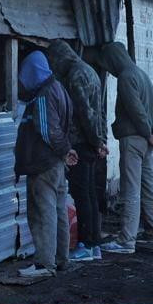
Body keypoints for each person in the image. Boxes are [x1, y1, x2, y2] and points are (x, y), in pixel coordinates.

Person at [95, 42, 153, 254]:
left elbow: (137, 110)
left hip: (134, 139)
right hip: (146, 139)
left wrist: (146, 132)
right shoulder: (141, 74)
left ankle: (126, 241)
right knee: (148, 187)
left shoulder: (126, 76)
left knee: (130, 188)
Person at [14, 50, 78, 278]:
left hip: (43, 163)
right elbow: (64, 125)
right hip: (57, 163)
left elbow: (46, 130)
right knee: (59, 210)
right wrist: (66, 151)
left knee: (43, 213)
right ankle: (61, 259)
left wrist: (63, 150)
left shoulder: (42, 95)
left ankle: (44, 263)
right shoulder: (59, 89)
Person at [47, 40, 107, 262]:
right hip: (90, 142)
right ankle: (94, 244)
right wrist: (99, 140)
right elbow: (97, 110)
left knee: (83, 195)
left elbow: (84, 112)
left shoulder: (75, 74)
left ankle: (87, 245)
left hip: (81, 143)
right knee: (89, 194)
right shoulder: (89, 70)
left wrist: (94, 141)